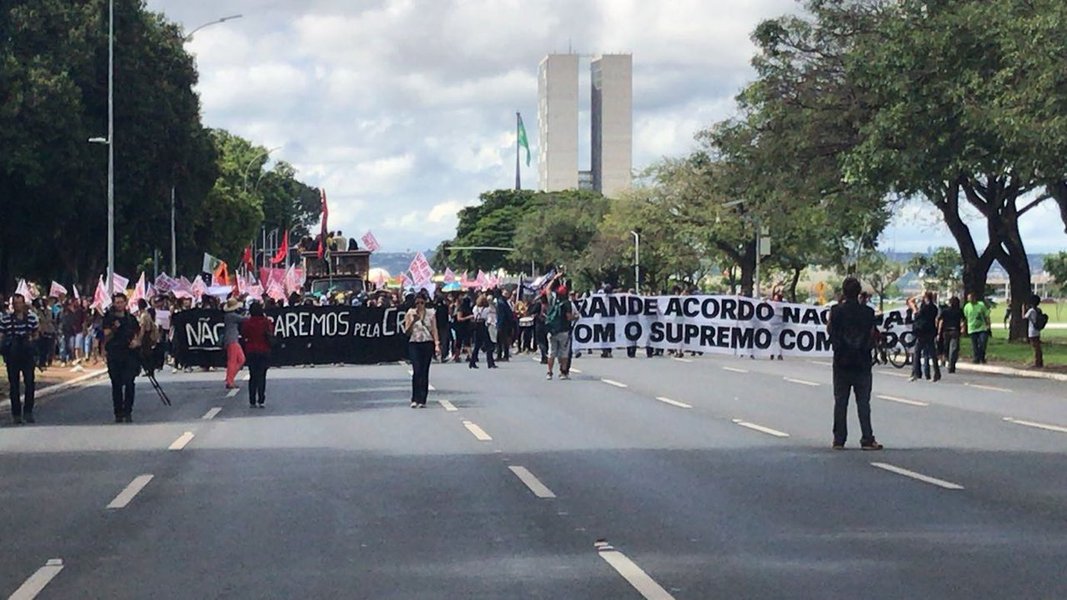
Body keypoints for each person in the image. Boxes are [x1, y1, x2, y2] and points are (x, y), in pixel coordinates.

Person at [827, 277, 883, 451]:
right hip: (862, 362)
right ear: (859, 292)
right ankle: (867, 438)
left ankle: (839, 439)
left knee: (841, 402)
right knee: (863, 403)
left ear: (843, 292)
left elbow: (830, 330)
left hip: (841, 361)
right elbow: (872, 333)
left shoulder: (835, 311)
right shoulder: (867, 312)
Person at [0, 293, 40, 424]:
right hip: (13, 356)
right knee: (14, 386)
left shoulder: (32, 318)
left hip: (27, 355)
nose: (17, 306)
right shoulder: (6, 319)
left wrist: (30, 340)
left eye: (19, 303)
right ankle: (16, 413)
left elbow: (36, 333)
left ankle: (28, 411)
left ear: (24, 304)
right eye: (15, 303)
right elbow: (2, 335)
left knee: (29, 383)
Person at [103, 293, 140, 423]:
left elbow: (137, 333)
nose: (119, 304)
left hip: (129, 355)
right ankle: (118, 412)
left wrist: (136, 342)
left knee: (130, 383)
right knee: (116, 384)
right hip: (114, 354)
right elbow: (105, 335)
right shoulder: (109, 318)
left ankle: (128, 410)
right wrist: (114, 328)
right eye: (117, 302)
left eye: (121, 302)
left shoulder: (131, 319)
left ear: (125, 303)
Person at [404, 291, 440, 407]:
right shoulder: (410, 313)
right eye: (417, 303)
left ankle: (422, 399)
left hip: (427, 343)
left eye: (422, 302)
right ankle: (415, 398)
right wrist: (413, 321)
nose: (419, 305)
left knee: (424, 371)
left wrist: (437, 344)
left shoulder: (431, 313)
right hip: (415, 343)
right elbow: (407, 332)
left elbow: (434, 329)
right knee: (417, 370)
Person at [241, 301, 275, 408]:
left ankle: (252, 399)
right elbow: (271, 331)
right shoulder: (265, 322)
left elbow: (244, 333)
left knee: (253, 376)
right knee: (262, 376)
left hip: (251, 351)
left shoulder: (247, 322)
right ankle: (261, 399)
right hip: (264, 351)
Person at [908, 292, 941, 382]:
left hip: (922, 333)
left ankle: (915, 373)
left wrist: (914, 308)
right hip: (930, 332)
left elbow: (917, 316)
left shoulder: (924, 308)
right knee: (932, 354)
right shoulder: (934, 307)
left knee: (917, 353)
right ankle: (937, 373)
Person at [545, 282, 574, 380]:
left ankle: (549, 372)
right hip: (563, 331)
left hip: (552, 331)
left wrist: (554, 278)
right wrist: (576, 317)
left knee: (551, 352)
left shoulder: (552, 301)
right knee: (564, 353)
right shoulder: (567, 303)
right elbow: (569, 317)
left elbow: (547, 289)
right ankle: (563, 372)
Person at [222, 298, 247, 389]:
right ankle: (230, 380)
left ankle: (230, 378)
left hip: (232, 339)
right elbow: (245, 319)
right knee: (234, 361)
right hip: (232, 340)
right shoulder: (232, 316)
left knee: (240, 359)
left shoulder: (228, 316)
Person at [937, 296, 964, 373]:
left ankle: (947, 359)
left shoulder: (945, 311)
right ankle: (951, 364)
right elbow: (962, 321)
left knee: (947, 347)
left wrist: (939, 332)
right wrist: (962, 329)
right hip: (955, 331)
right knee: (954, 348)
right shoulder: (959, 311)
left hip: (946, 331)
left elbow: (941, 322)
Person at [963, 293, 991, 364]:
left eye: (970, 298)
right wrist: (963, 327)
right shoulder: (967, 307)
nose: (969, 300)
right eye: (968, 298)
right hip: (972, 328)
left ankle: (982, 357)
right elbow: (965, 318)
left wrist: (988, 325)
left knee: (983, 343)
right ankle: (976, 358)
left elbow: (986, 315)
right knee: (974, 345)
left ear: (974, 298)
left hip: (982, 327)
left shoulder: (981, 305)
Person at [1024, 294, 1044, 369]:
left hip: (1032, 331)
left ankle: (1037, 362)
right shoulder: (1038, 310)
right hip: (1037, 330)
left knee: (1035, 347)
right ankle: (1039, 361)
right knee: (1037, 347)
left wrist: (1023, 308)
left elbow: (1024, 317)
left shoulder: (1031, 311)